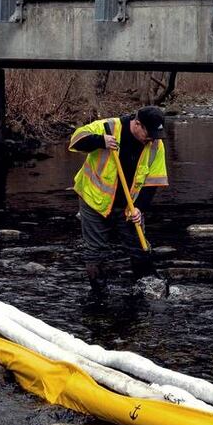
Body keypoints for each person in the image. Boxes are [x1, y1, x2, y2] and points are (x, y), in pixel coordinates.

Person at [69, 105, 169, 294]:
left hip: (128, 206)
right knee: (95, 251)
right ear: (137, 124)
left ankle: (146, 291)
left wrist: (139, 208)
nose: (152, 140)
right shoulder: (108, 127)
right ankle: (99, 294)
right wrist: (100, 141)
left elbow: (153, 181)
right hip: (94, 200)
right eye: (149, 134)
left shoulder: (155, 144)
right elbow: (75, 141)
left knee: (140, 249)